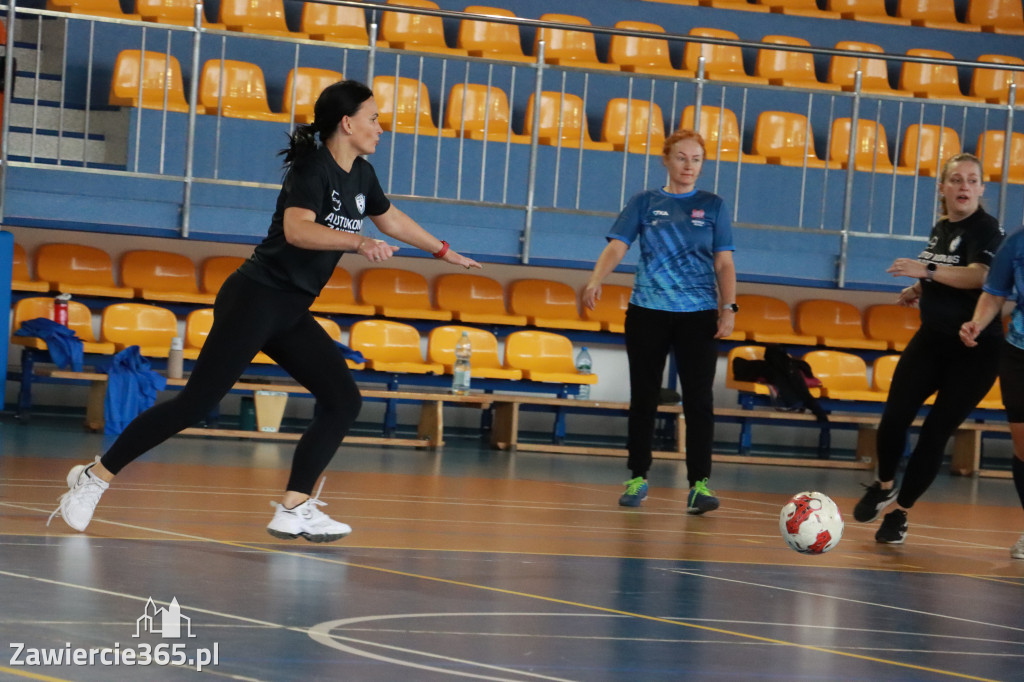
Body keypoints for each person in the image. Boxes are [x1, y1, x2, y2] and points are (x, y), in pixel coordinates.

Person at [48, 80, 481, 542]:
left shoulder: (362, 175)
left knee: (343, 400)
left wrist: (442, 251)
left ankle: (294, 506)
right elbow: (298, 230)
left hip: (291, 308)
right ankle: (95, 477)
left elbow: (389, 217)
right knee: (197, 402)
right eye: (373, 118)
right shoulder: (312, 170)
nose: (381, 127)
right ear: (347, 122)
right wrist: (358, 241)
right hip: (255, 297)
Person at [582, 129, 736, 514]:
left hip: (698, 315)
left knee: (699, 401)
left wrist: (728, 308)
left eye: (696, 159)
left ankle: (700, 485)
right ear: (666, 159)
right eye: (681, 157)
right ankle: (638, 476)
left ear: (703, 164)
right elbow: (617, 245)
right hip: (648, 312)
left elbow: (724, 262)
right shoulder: (644, 202)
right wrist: (596, 279)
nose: (688, 166)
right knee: (645, 396)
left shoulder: (713, 205)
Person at [854, 153, 1004, 544]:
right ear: (942, 188)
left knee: (935, 433)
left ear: (982, 188)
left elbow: (979, 276)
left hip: (975, 350)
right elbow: (942, 265)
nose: (964, 187)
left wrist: (927, 272)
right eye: (956, 180)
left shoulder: (988, 230)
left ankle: (900, 512)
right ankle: (884, 483)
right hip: (932, 339)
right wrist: (919, 288)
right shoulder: (941, 227)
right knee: (893, 417)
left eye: (972, 180)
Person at [960, 227, 1024, 559]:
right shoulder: (1015, 242)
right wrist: (977, 323)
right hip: (1019, 351)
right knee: (1023, 443)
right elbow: (995, 292)